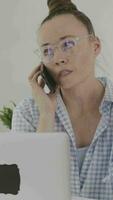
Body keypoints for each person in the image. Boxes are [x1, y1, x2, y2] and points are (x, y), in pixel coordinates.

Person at [12, 0, 113, 199]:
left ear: (95, 46)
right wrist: (46, 116)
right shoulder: (28, 113)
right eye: (47, 50)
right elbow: (26, 192)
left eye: (68, 44)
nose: (58, 58)